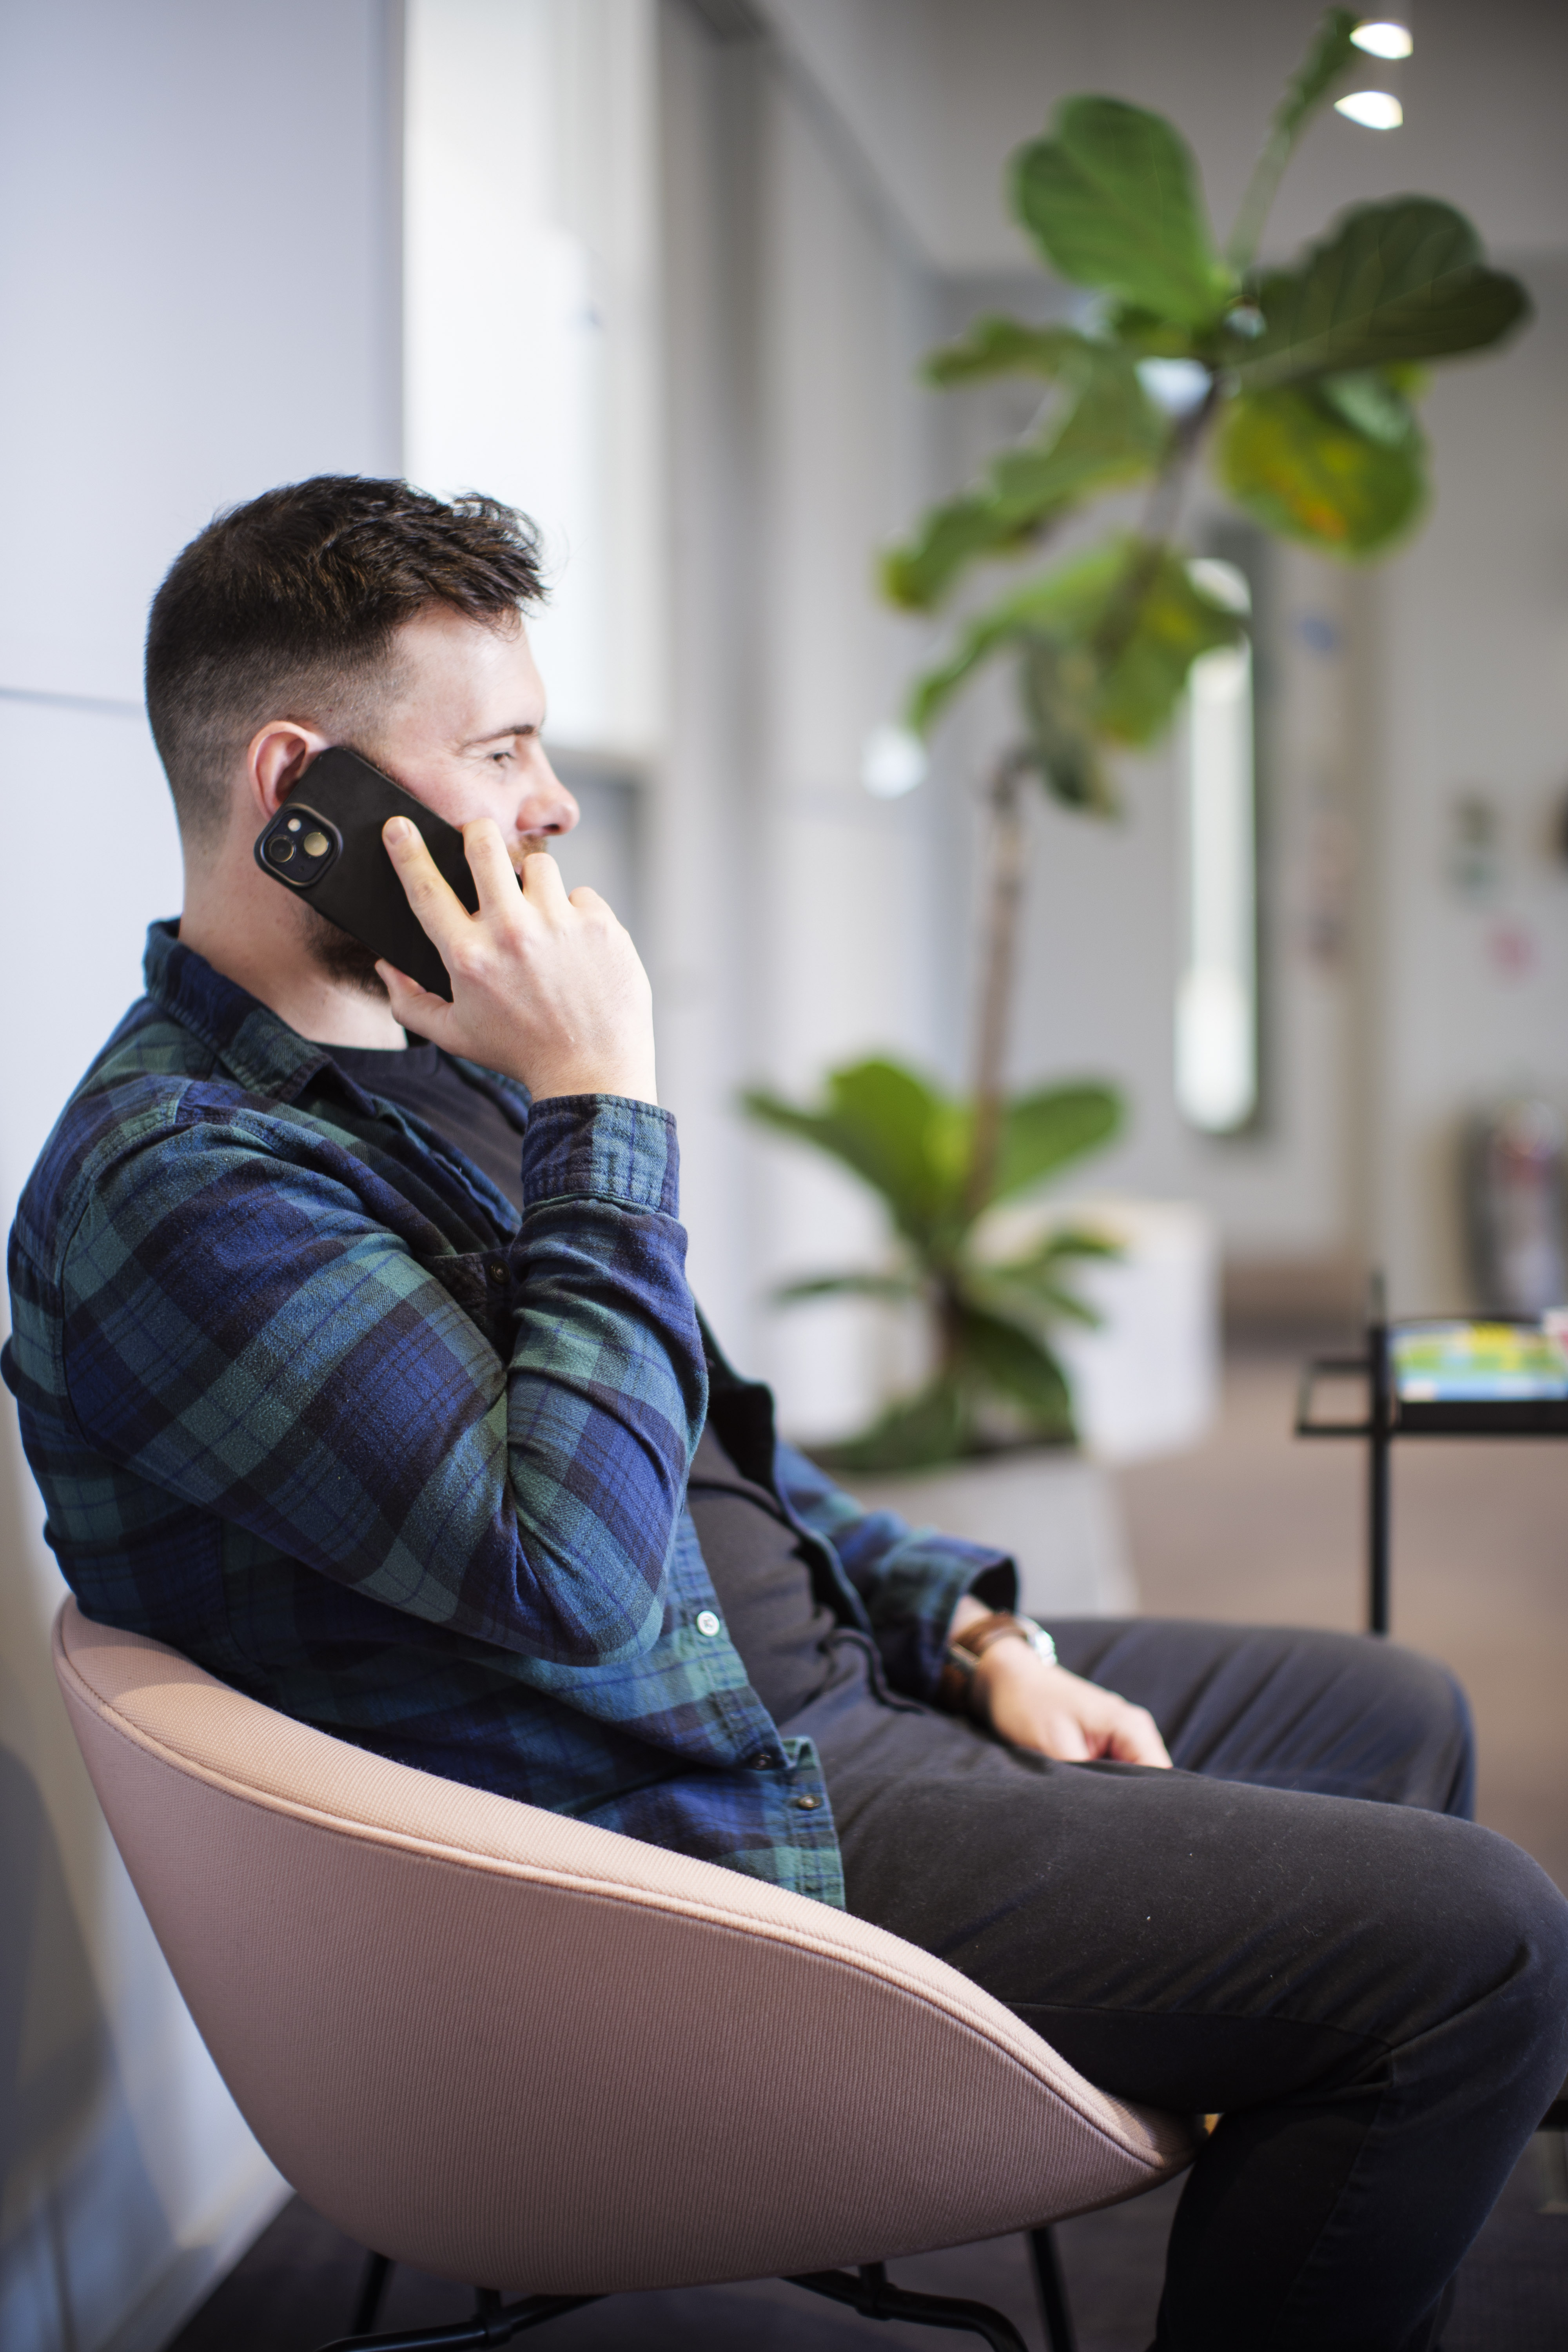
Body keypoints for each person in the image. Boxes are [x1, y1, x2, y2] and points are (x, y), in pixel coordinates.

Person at [5, 477, 1565, 2352]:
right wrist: (603, 1101)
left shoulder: (422, 1061)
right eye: (499, 747)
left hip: (807, 1698)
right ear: (302, 796)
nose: (554, 801)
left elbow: (717, 1447)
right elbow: (572, 1572)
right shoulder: (178, 1193)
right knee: (1477, 1949)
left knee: (1391, 1711)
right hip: (683, 1841)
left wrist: (967, 1628)